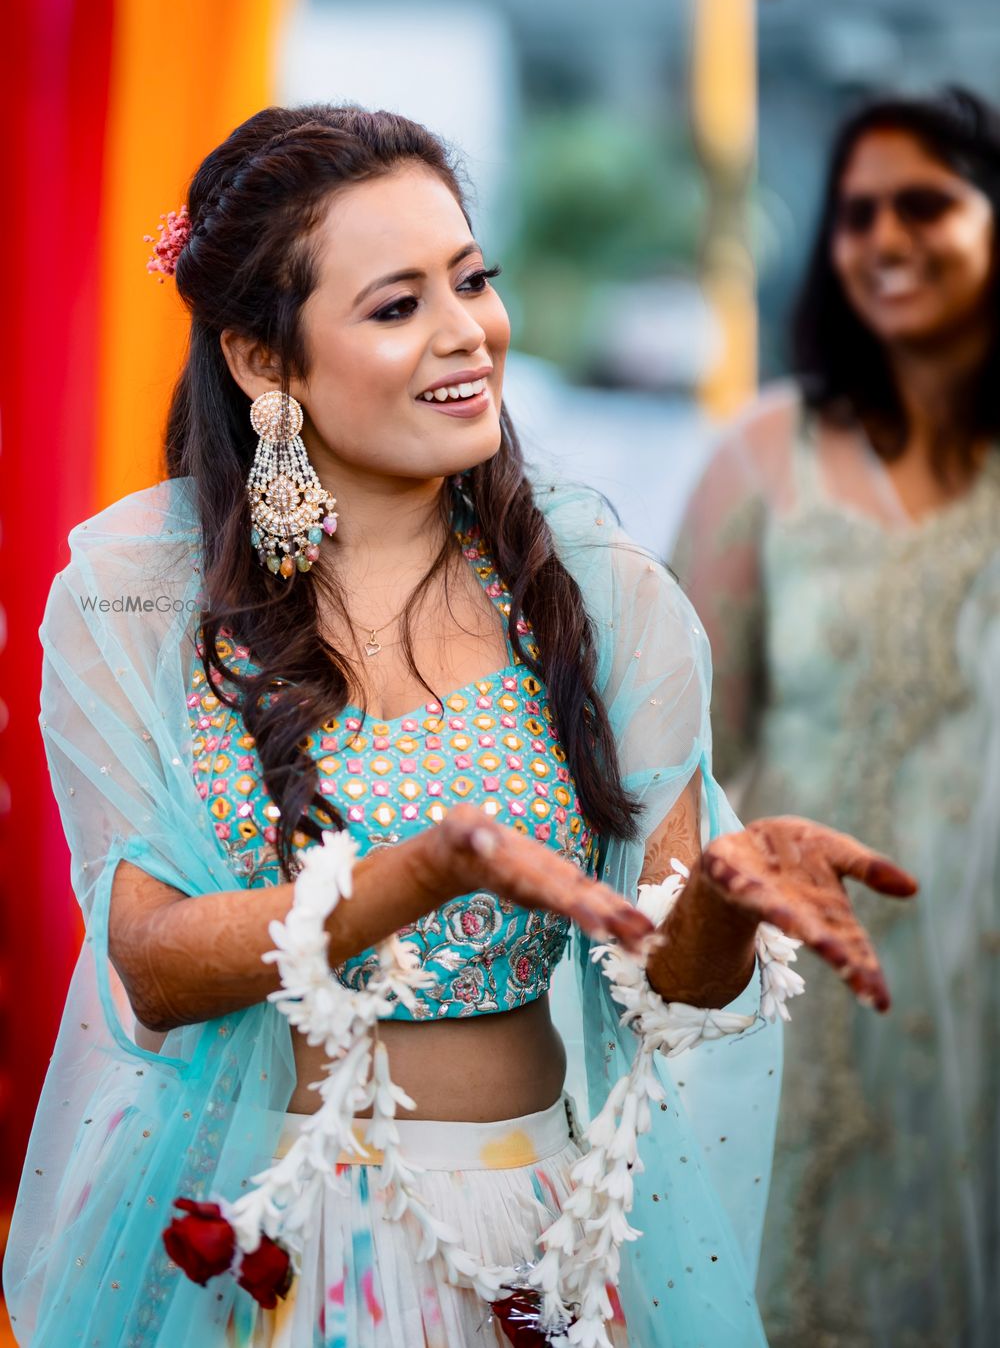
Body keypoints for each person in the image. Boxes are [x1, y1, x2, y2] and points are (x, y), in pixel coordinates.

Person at [4, 105, 914, 1348]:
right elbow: (149, 961)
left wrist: (721, 900)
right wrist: (421, 873)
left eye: (472, 280)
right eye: (396, 307)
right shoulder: (139, 600)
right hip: (270, 1256)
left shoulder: (599, 594)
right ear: (263, 361)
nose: (467, 334)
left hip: (540, 1249)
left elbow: (669, 980)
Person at [672, 86, 1000, 1348]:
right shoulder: (765, 459)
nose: (885, 238)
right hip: (811, 988)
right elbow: (676, 751)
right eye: (857, 213)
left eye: (926, 202)